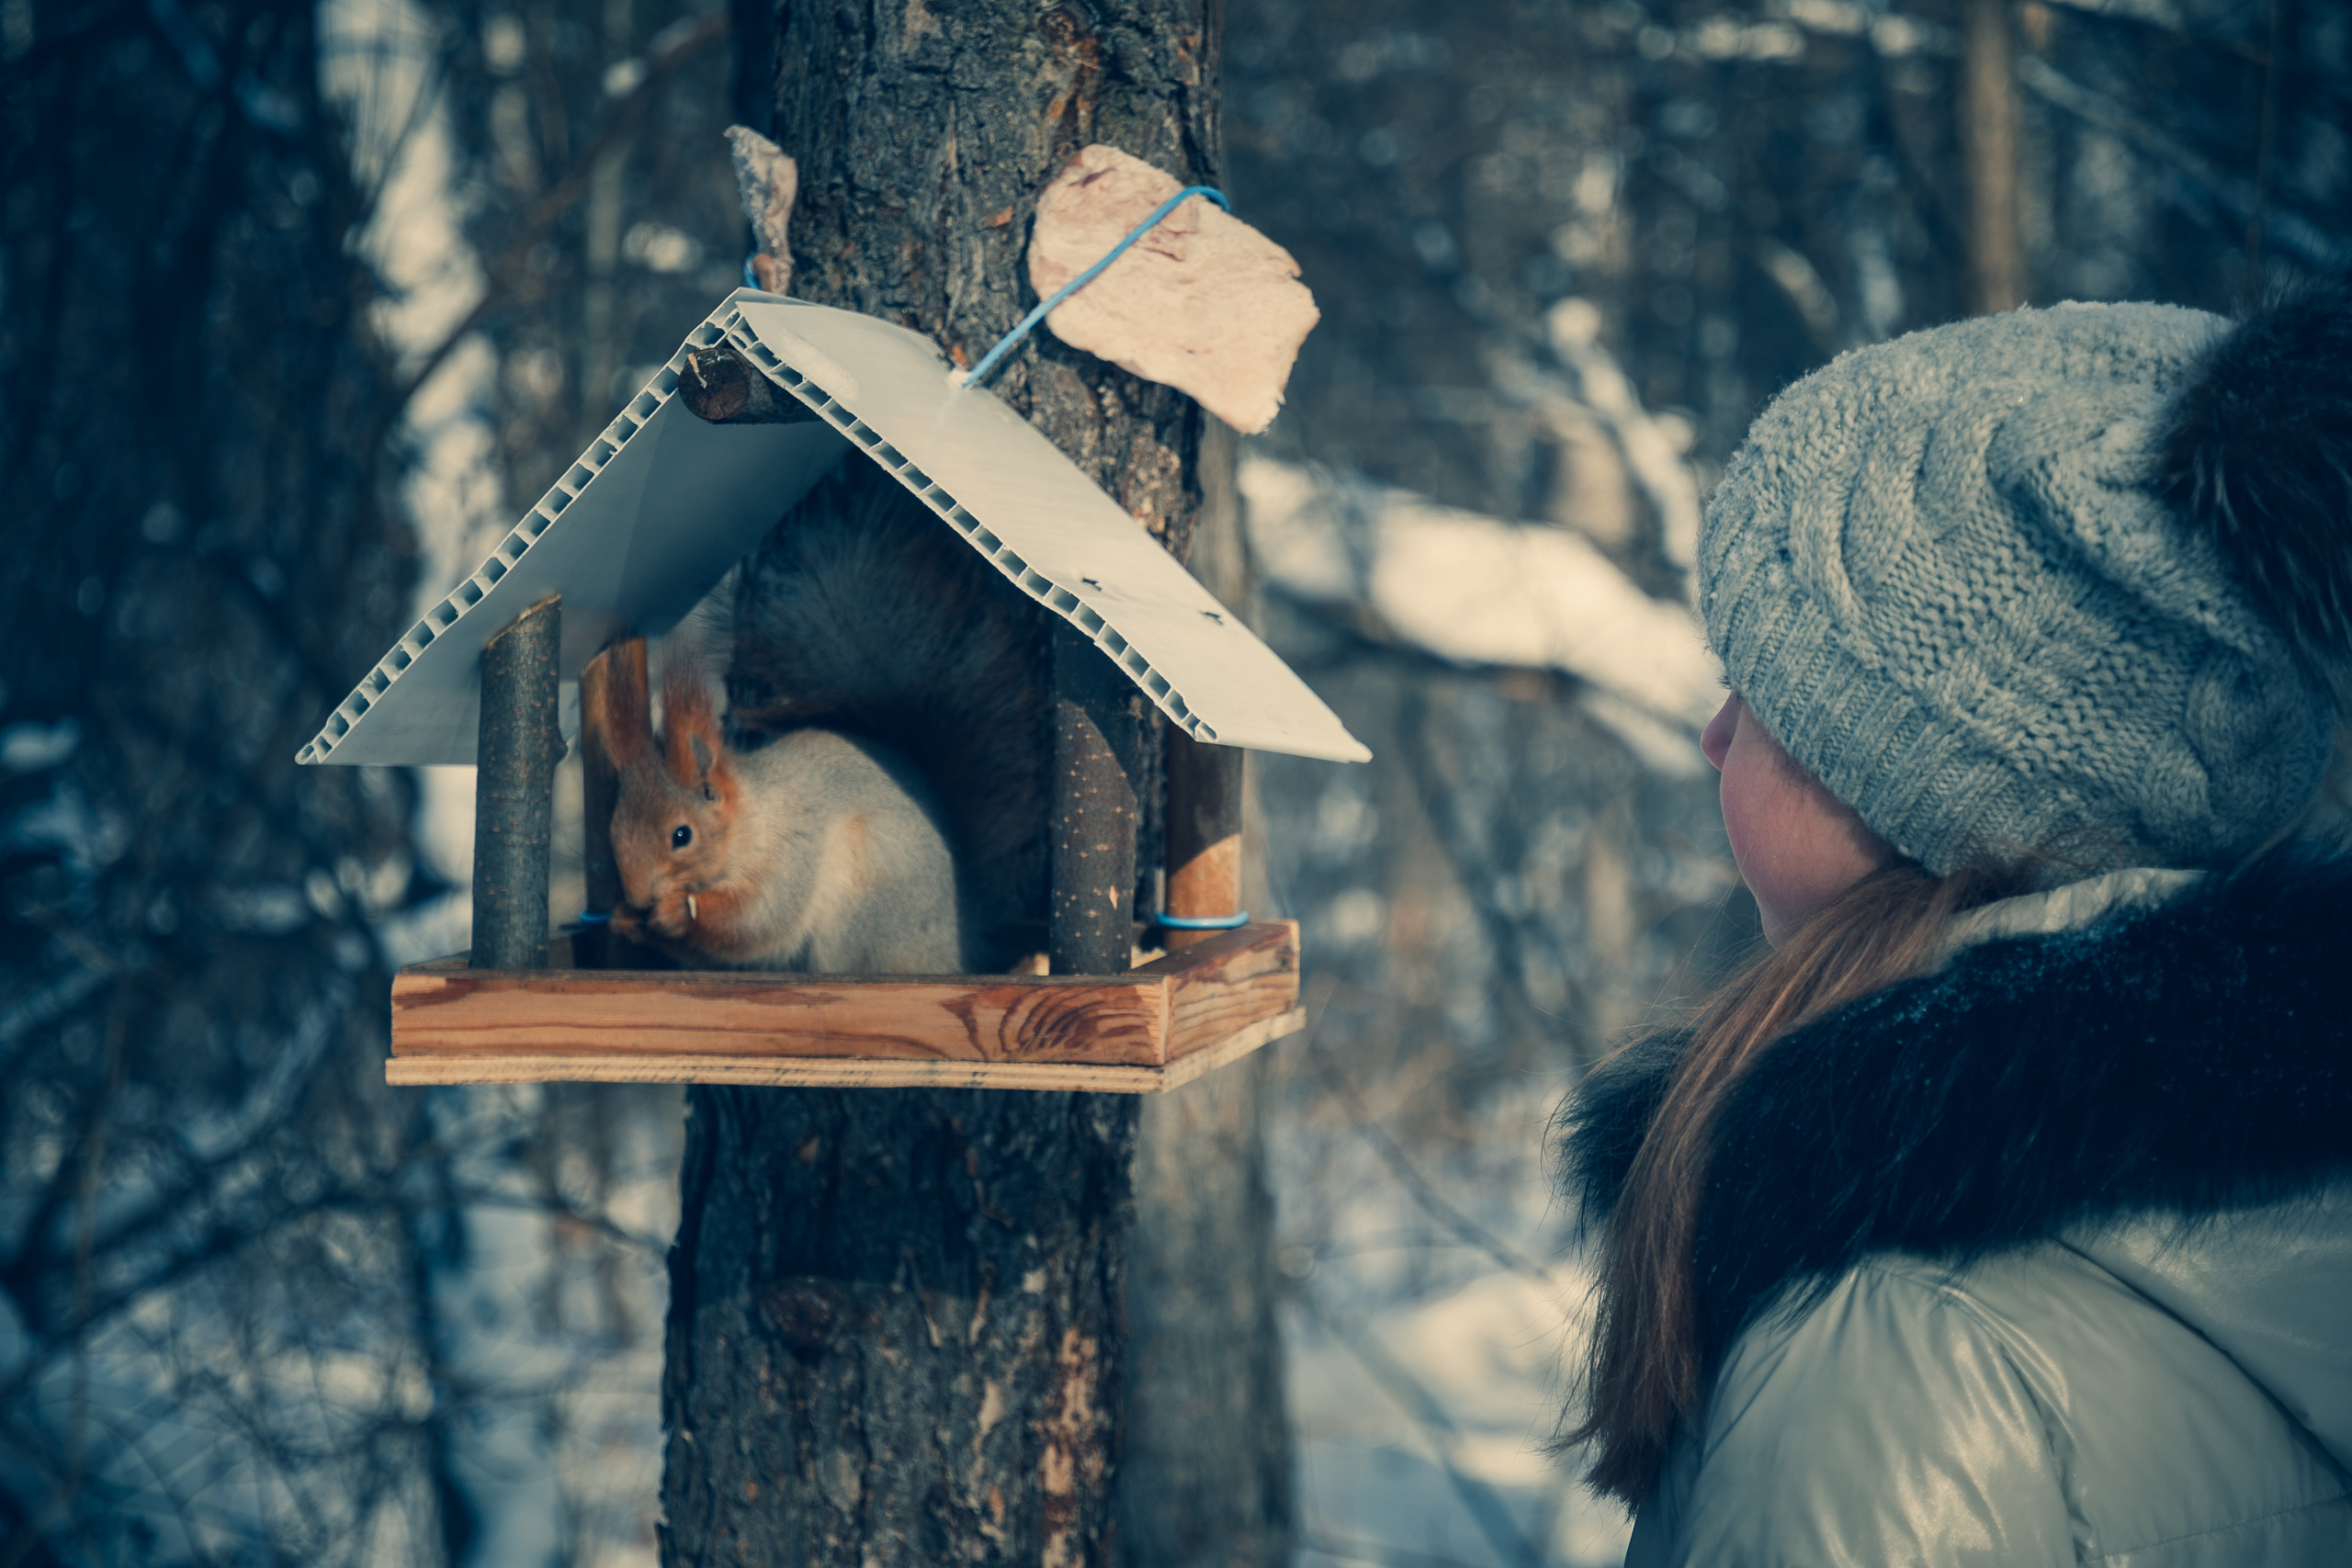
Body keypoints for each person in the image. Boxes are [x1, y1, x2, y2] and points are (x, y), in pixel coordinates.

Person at [1556, 280, 2352, 1564]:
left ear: (1906, 783)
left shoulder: (1896, 1377)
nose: (1713, 735)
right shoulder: (2287, 1188)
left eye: (1757, 689)